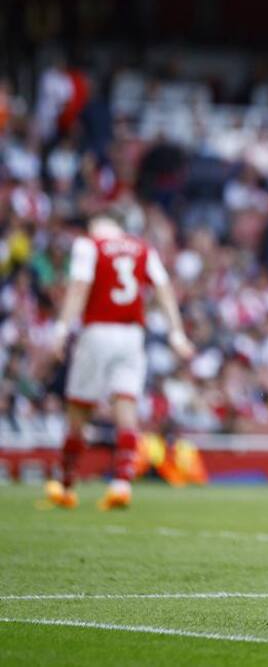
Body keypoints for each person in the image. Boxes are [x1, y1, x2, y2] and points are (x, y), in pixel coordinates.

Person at [45, 211, 194, 510]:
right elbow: (163, 288)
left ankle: (66, 484)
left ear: (95, 225)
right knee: (125, 407)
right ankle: (122, 483)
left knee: (79, 409)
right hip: (132, 336)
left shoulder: (89, 245)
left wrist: (61, 329)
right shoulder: (142, 248)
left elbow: (80, 287)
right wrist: (176, 333)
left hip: (97, 331)